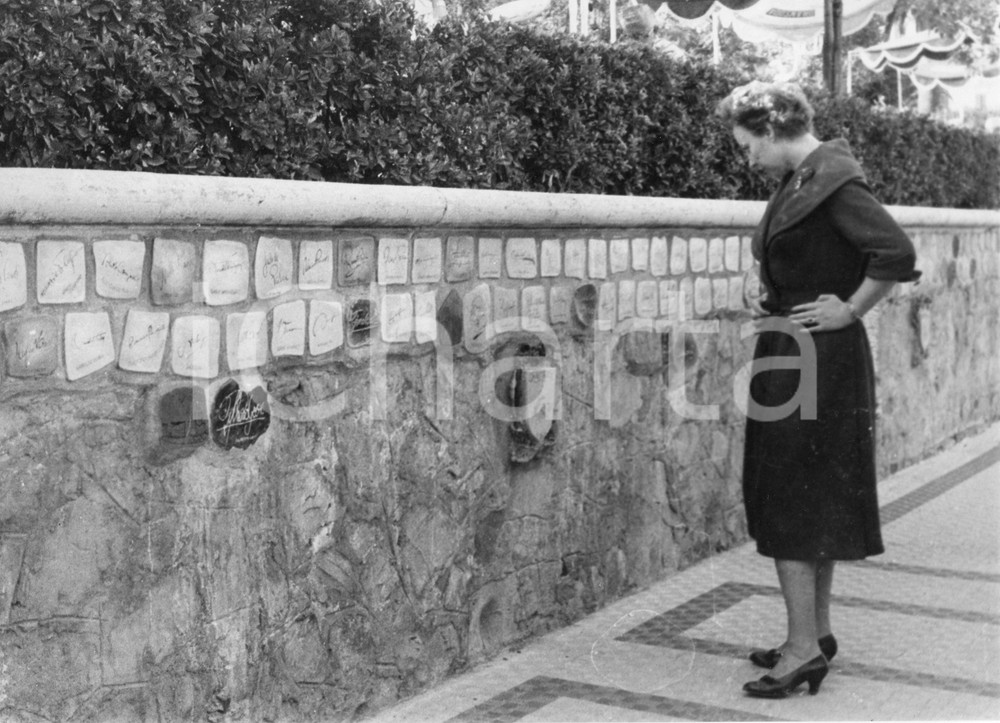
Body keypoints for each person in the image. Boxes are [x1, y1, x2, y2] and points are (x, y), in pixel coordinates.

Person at [715, 81, 920, 699]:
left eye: (748, 144)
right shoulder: (802, 181)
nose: (747, 157)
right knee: (808, 493)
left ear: (771, 129)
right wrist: (769, 293)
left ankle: (802, 650)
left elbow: (895, 253)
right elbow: (803, 258)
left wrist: (850, 309)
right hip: (794, 350)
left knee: (792, 496)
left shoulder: (834, 182)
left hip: (818, 359)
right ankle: (815, 633)